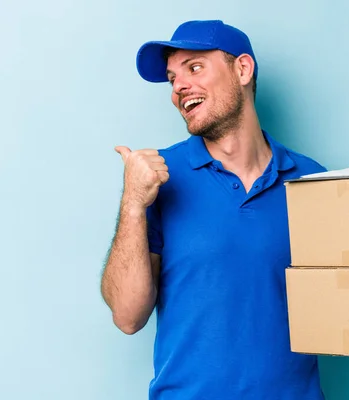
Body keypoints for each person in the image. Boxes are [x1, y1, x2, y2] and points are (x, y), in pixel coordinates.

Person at [100, 20, 329, 400]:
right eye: (173, 78)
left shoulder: (314, 182)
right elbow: (127, 317)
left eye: (194, 68)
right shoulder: (159, 179)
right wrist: (133, 204)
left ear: (242, 69)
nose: (178, 87)